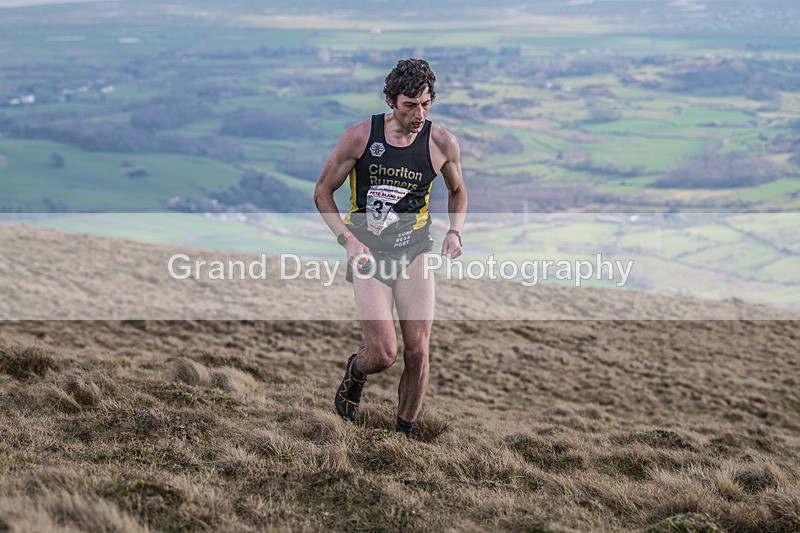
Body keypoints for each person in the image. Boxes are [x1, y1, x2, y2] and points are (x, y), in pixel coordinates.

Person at [313, 58, 468, 438]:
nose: (419, 114)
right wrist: (347, 240)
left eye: (426, 104)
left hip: (415, 251)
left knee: (418, 351)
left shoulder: (441, 142)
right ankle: (356, 370)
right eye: (410, 105)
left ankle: (404, 435)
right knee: (383, 353)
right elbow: (322, 192)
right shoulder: (360, 136)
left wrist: (455, 232)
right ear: (390, 100)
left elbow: (458, 190)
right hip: (368, 253)